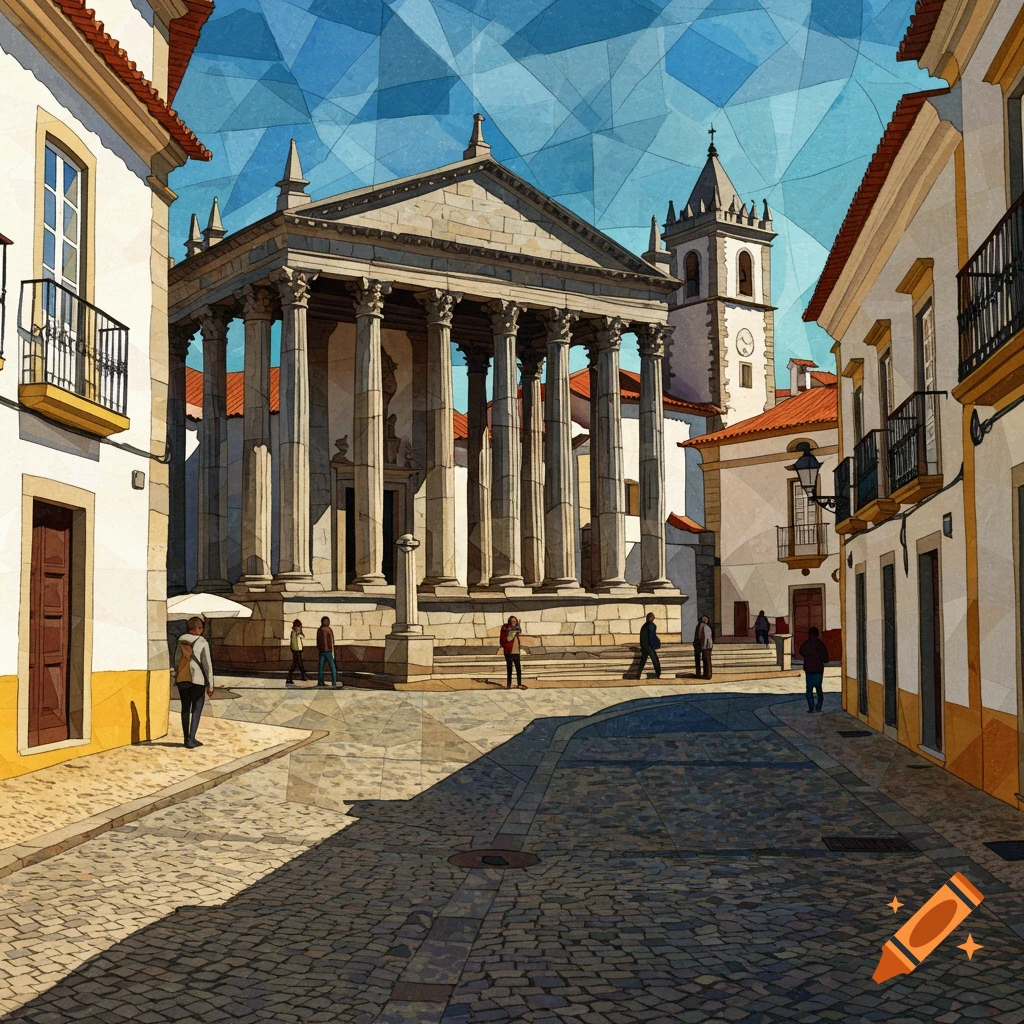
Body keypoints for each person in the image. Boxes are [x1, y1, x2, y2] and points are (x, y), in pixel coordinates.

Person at [172, 616, 215, 749]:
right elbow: (207, 664)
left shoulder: (180, 640)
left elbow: (176, 660)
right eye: (200, 628)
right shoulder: (202, 641)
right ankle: (192, 738)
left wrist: (177, 674)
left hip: (182, 678)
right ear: (198, 629)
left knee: (185, 708)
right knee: (196, 709)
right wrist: (210, 684)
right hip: (197, 679)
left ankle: (186, 738)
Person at [799, 626, 830, 713]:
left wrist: (807, 657)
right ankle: (818, 707)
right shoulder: (820, 645)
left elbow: (801, 651)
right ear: (817, 634)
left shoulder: (806, 644)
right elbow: (826, 659)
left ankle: (811, 707)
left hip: (809, 670)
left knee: (809, 689)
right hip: (818, 670)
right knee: (819, 689)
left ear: (809, 634)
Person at [498, 616, 527, 689]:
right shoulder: (505, 628)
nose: (514, 623)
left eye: (515, 621)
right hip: (509, 652)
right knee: (509, 668)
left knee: (518, 668)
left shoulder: (516, 629)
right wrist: (512, 631)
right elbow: (505, 639)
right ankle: (509, 684)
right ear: (510, 622)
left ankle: (519, 684)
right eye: (512, 621)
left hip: (516, 652)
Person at [636, 612, 662, 679]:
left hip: (644, 646)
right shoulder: (651, 625)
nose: (654, 617)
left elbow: (642, 637)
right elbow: (652, 636)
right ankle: (658, 674)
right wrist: (656, 644)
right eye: (653, 616)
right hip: (649, 646)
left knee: (643, 661)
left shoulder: (644, 626)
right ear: (650, 617)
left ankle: (638, 675)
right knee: (655, 660)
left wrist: (642, 647)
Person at [316, 616, 339, 688]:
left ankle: (320, 682)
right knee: (333, 667)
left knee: (320, 667)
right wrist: (333, 651)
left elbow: (317, 641)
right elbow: (331, 641)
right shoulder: (329, 630)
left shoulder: (319, 630)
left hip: (321, 651)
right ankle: (334, 682)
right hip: (328, 651)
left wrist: (319, 648)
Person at [286, 619, 307, 685]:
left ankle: (302, 676)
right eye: (298, 627)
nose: (299, 628)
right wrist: (293, 649)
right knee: (297, 664)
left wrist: (300, 632)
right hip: (296, 651)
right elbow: (293, 643)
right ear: (295, 627)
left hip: (298, 651)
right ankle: (290, 677)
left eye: (300, 627)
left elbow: (303, 636)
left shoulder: (298, 634)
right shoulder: (293, 633)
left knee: (298, 664)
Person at [696, 615, 714, 680]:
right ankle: (706, 674)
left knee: (707, 661)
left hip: (706, 647)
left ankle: (708, 675)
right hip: (706, 647)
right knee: (706, 660)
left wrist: (703, 646)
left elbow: (706, 638)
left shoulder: (705, 627)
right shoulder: (705, 626)